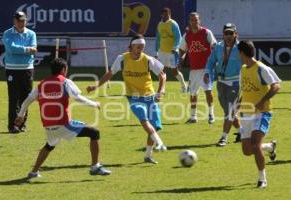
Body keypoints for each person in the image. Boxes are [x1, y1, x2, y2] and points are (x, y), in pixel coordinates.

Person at [15, 58, 111, 178]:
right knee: (94, 133)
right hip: (64, 124)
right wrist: (95, 104)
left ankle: (33, 172)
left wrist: (21, 115)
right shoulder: (65, 82)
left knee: (49, 146)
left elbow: (27, 101)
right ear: (63, 69)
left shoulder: (41, 84)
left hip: (49, 126)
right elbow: (78, 98)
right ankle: (95, 167)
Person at [87, 34, 167, 164]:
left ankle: (147, 155)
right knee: (144, 119)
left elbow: (163, 76)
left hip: (150, 96)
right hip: (133, 97)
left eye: (142, 47)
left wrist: (160, 91)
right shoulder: (122, 59)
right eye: (138, 47)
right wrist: (96, 85)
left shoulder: (148, 60)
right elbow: (110, 74)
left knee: (155, 127)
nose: (140, 49)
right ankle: (159, 143)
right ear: (132, 46)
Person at [237, 40, 280, 188]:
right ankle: (269, 147)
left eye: (239, 53)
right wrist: (238, 105)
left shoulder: (261, 68)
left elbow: (276, 85)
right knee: (247, 150)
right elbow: (245, 90)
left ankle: (262, 179)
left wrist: (264, 100)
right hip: (246, 113)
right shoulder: (243, 69)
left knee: (255, 145)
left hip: (262, 112)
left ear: (242, 53)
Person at [204, 23, 242, 146]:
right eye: (226, 33)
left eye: (231, 33)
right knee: (229, 112)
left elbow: (248, 64)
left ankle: (223, 138)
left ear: (236, 34)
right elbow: (211, 61)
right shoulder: (218, 47)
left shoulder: (241, 48)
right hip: (221, 83)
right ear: (223, 34)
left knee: (230, 111)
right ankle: (242, 132)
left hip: (235, 83)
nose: (229, 35)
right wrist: (207, 73)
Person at [3, 11, 37, 133]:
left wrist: (21, 49)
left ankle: (21, 125)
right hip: (12, 69)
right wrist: (28, 49)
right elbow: (11, 49)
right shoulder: (7, 34)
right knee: (14, 98)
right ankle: (12, 126)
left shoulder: (31, 34)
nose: (22, 23)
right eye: (19, 20)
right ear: (15, 21)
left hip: (27, 69)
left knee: (26, 99)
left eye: (24, 20)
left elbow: (35, 50)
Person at [179, 12, 217, 124]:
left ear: (199, 20)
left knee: (208, 91)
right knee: (193, 93)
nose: (194, 22)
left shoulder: (206, 32)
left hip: (206, 68)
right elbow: (182, 49)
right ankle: (193, 116)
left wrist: (215, 60)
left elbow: (214, 46)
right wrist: (181, 59)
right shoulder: (187, 35)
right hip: (194, 69)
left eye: (196, 19)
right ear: (189, 22)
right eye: (192, 20)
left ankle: (211, 114)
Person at [155, 7, 187, 93]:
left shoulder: (173, 24)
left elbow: (178, 37)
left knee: (174, 71)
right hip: (162, 51)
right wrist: (156, 51)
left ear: (170, 14)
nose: (165, 16)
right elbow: (158, 38)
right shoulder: (160, 24)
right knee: (162, 70)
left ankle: (184, 87)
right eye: (163, 14)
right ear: (161, 15)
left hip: (172, 51)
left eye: (167, 14)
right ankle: (162, 89)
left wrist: (175, 47)